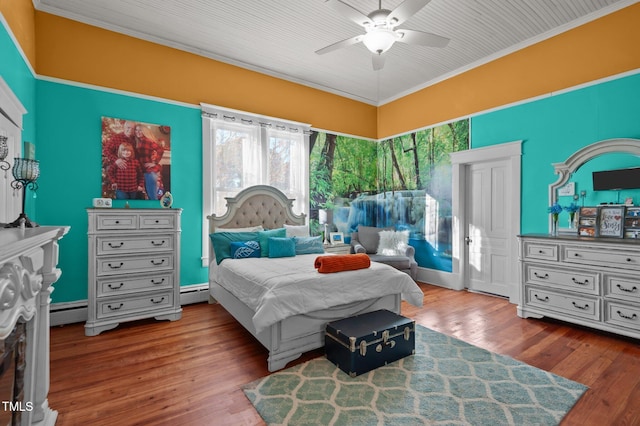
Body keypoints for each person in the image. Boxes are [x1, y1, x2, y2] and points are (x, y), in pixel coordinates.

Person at [134, 124, 165, 200]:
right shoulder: (140, 141)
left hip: (150, 172)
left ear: (144, 131)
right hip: (145, 171)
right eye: (136, 130)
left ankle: (156, 211)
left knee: (152, 196)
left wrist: (154, 162)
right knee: (150, 195)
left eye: (140, 130)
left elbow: (160, 150)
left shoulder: (147, 141)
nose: (138, 132)